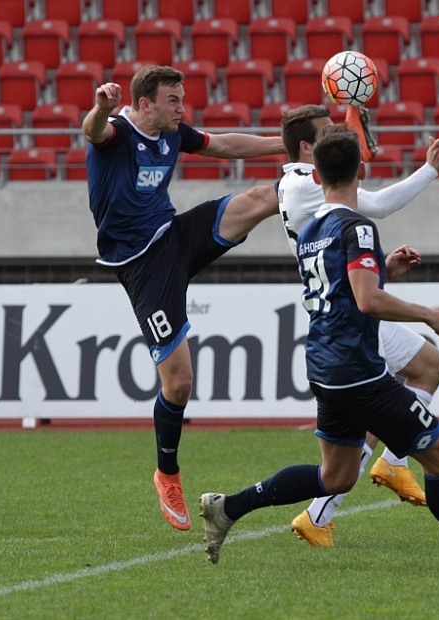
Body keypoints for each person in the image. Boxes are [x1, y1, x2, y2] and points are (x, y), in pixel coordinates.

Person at [200, 125, 439, 568]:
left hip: (323, 365)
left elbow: (343, 290)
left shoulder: (312, 228)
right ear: (360, 169)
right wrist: (427, 314)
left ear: (316, 177)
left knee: (334, 476)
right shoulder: (357, 228)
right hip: (358, 369)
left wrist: (385, 268)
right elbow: (366, 299)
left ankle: (229, 508)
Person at [82, 65, 285, 530]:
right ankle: (167, 474)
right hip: (140, 265)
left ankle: (324, 173)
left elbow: (228, 146)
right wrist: (100, 107)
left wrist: (291, 146)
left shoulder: (175, 133)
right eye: (173, 100)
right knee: (179, 383)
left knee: (260, 198)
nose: (181, 107)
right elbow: (92, 130)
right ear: (145, 104)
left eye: (182, 98)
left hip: (174, 236)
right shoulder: (116, 131)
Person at [277, 105, 439, 546]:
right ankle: (394, 461)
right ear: (306, 149)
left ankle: (319, 514)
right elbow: (377, 204)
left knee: (382, 403)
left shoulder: (294, 185)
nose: (332, 137)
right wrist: (429, 170)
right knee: (430, 364)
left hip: (339, 310)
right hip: (347, 321)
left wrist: (384, 270)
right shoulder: (305, 186)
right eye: (324, 134)